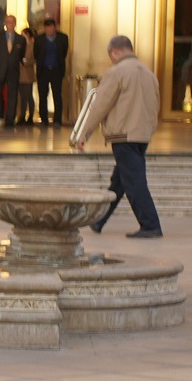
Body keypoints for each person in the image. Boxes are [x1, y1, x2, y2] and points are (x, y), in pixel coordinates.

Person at [74, 34, 163, 239]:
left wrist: (84, 133)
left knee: (134, 182)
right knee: (120, 181)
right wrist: (149, 129)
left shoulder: (116, 72)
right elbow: (156, 104)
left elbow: (100, 105)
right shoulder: (148, 73)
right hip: (141, 135)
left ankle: (150, 225)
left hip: (124, 135)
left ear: (114, 52)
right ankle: (100, 220)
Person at [36, 16, 71, 126]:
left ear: (55, 28)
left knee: (57, 95)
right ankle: (44, 119)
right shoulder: (39, 39)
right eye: (47, 28)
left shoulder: (62, 38)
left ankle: (57, 120)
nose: (49, 30)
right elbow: (36, 54)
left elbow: (64, 52)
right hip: (43, 70)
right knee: (43, 96)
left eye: (51, 28)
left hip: (56, 70)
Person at [16, 24, 38, 125]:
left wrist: (27, 62)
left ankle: (31, 116)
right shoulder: (21, 45)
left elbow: (34, 59)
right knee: (21, 97)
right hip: (20, 74)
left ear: (28, 35)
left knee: (28, 95)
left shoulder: (33, 46)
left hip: (28, 74)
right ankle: (21, 115)